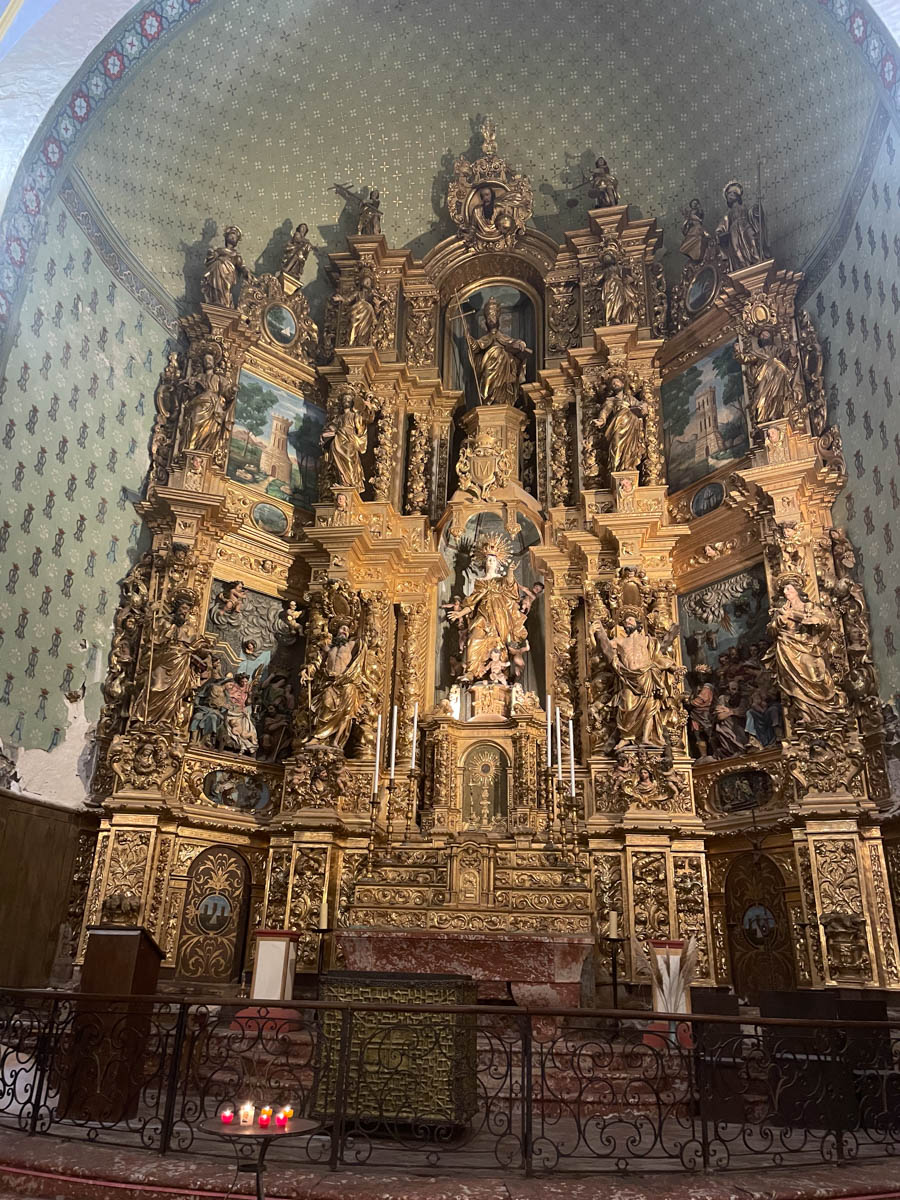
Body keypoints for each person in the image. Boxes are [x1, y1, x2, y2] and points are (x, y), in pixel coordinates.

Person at [593, 614, 679, 748]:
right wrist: (594, 633)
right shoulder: (619, 641)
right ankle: (626, 736)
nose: (627, 622)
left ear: (638, 624)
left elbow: (658, 657)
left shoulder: (648, 640)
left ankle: (646, 738)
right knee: (627, 707)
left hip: (646, 675)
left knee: (650, 708)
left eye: (630, 619)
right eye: (625, 621)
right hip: (628, 677)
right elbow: (604, 649)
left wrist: (672, 667)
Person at [471, 297, 531, 406]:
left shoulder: (504, 337)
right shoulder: (484, 339)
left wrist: (520, 344)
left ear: (498, 318)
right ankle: (488, 397)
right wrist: (469, 339)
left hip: (504, 370)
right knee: (496, 351)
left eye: (493, 316)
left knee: (499, 352)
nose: (491, 319)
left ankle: (502, 398)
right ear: (485, 321)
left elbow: (513, 343)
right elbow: (476, 347)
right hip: (489, 367)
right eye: (489, 317)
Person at [716, 181, 767, 271]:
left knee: (752, 241)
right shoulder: (728, 213)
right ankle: (741, 266)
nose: (730, 196)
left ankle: (757, 260)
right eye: (728, 195)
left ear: (737, 196)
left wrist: (756, 209)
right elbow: (722, 226)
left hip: (746, 226)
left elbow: (753, 215)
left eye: (732, 194)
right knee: (736, 250)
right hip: (734, 231)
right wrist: (719, 233)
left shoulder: (745, 207)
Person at [200, 225, 249, 307]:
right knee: (217, 266)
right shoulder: (219, 250)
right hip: (215, 273)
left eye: (235, 237)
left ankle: (224, 301)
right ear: (226, 237)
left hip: (228, 275)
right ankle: (215, 299)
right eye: (231, 235)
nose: (233, 238)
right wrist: (210, 255)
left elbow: (241, 266)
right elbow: (209, 261)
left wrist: (246, 271)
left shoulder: (236, 255)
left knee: (225, 289)